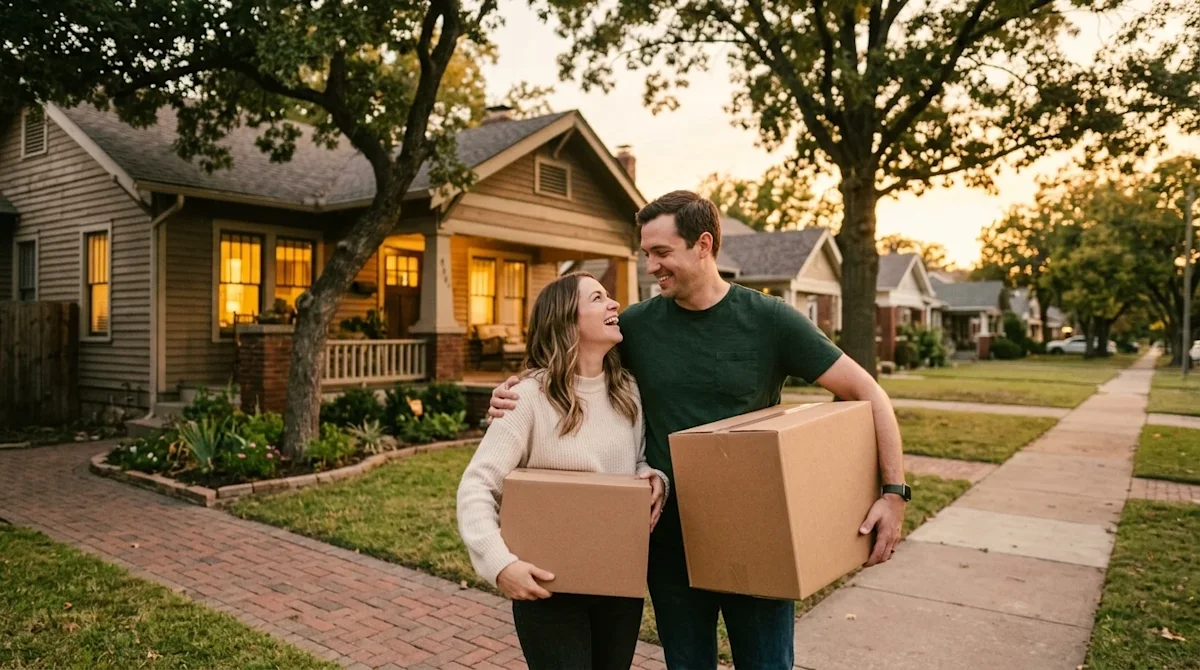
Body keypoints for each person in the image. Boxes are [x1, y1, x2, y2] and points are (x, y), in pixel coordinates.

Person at [489, 191, 909, 670]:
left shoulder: (769, 321)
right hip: (669, 543)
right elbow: (569, 359)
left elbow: (866, 392)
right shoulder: (634, 328)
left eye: (662, 253)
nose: (651, 266)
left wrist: (893, 493)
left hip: (758, 534)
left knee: (767, 665)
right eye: (646, 253)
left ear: (704, 244)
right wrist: (516, 389)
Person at [457, 272, 669, 670]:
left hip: (616, 583)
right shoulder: (526, 398)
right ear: (567, 321)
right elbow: (477, 485)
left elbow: (635, 462)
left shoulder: (628, 393)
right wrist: (500, 564)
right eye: (598, 298)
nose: (613, 305)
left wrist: (653, 478)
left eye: (609, 296)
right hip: (547, 585)